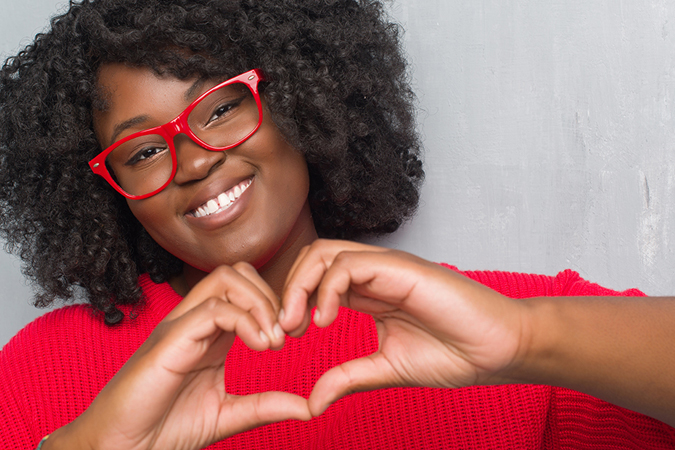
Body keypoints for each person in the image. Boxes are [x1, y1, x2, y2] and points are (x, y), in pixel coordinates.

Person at [0, 0, 673, 449]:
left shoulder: (486, 322)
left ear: (298, 96)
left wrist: (527, 336)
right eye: (143, 151)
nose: (194, 161)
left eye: (220, 109)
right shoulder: (37, 374)